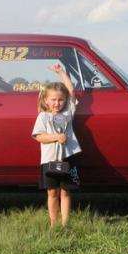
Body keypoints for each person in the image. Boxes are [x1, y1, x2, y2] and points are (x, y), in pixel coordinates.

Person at [32, 63, 81, 227]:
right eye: (53, 100)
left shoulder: (68, 113)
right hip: (49, 160)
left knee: (66, 192)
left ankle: (65, 223)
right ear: (46, 100)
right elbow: (38, 137)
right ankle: (53, 223)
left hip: (68, 158)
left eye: (61, 100)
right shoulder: (43, 117)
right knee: (52, 193)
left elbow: (71, 90)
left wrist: (61, 72)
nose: (57, 103)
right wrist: (56, 137)